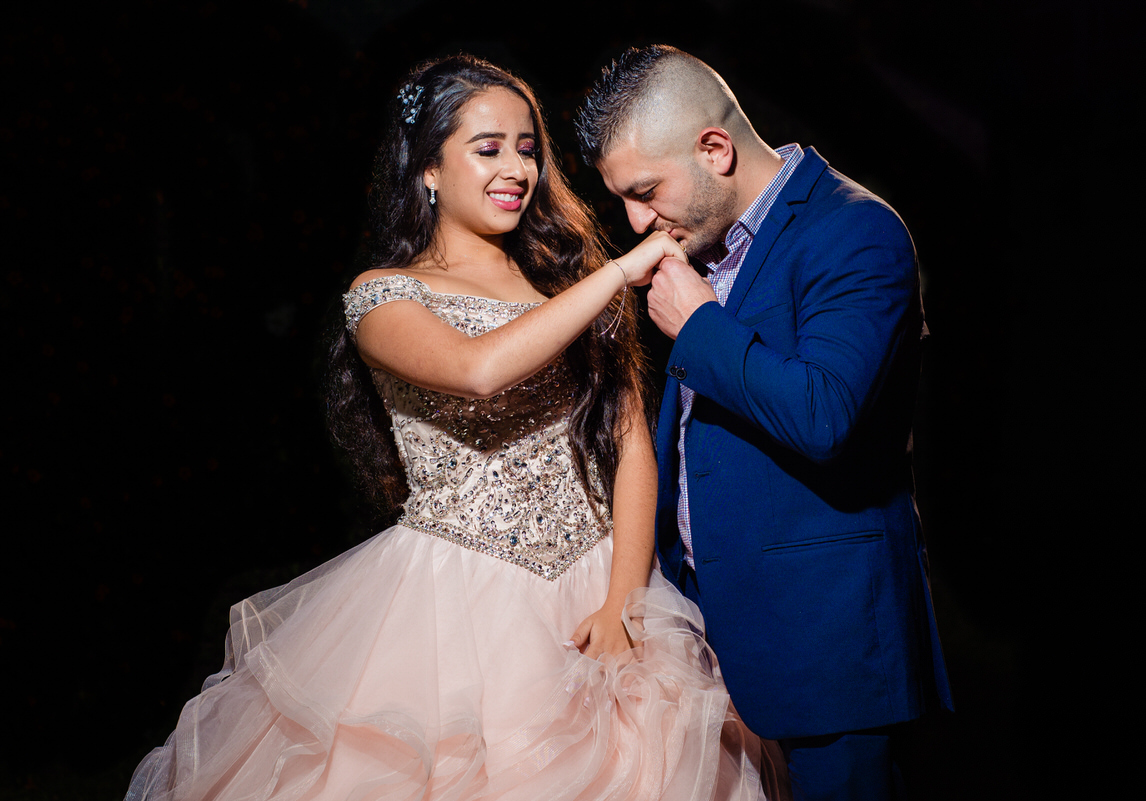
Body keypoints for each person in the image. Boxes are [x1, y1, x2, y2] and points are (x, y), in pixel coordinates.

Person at [124, 54, 788, 801]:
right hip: (452, 604)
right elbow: (478, 369)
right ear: (429, 170)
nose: (516, 168)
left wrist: (623, 600)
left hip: (598, 584)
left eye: (528, 148)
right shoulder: (383, 294)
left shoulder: (564, 283)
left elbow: (633, 446)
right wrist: (613, 279)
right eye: (488, 148)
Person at [575, 45, 953, 800]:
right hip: (716, 641)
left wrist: (701, 325)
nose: (636, 220)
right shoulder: (704, 239)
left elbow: (824, 415)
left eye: (645, 191)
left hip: (829, 654)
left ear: (715, 149)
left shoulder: (857, 230)